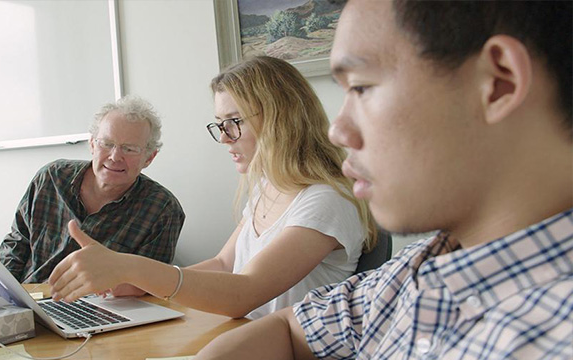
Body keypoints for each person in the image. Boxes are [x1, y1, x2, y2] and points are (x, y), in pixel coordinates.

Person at [195, 0, 573, 358]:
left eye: (361, 87)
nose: (337, 131)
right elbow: (291, 328)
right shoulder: (412, 272)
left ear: (497, 83)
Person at [48, 56, 378, 320]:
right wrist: (139, 285)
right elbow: (223, 264)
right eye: (220, 125)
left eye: (234, 122)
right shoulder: (268, 188)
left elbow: (244, 293)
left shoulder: (326, 201)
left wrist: (131, 267)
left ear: (279, 118)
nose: (223, 137)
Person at [0, 95, 186, 294]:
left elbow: (148, 287)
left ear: (149, 158)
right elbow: (16, 244)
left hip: (99, 313)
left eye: (129, 149)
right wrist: (0, 295)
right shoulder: (51, 178)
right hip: (28, 300)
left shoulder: (163, 210)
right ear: (92, 145)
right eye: (107, 143)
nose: (115, 157)